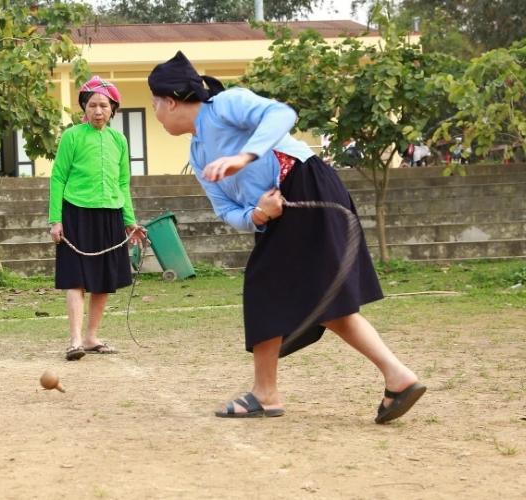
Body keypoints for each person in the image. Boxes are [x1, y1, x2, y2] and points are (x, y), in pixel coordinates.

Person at [147, 51, 426, 423]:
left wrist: (244, 157)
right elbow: (226, 209)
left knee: (289, 291)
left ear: (170, 101)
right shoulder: (198, 153)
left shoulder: (225, 104)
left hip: (305, 186)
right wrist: (259, 214)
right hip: (280, 210)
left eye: (154, 104)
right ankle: (395, 377)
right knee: (316, 298)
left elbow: (282, 114)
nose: (154, 112)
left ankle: (269, 393)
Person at [49, 76, 147, 362]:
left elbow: (123, 182)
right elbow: (58, 177)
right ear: (85, 108)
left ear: (113, 109)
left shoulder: (119, 139)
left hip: (111, 215)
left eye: (104, 105)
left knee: (104, 280)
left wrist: (130, 221)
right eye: (92, 105)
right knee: (76, 278)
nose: (98, 111)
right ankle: (75, 340)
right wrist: (56, 220)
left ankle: (92, 338)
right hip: (76, 212)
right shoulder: (72, 136)